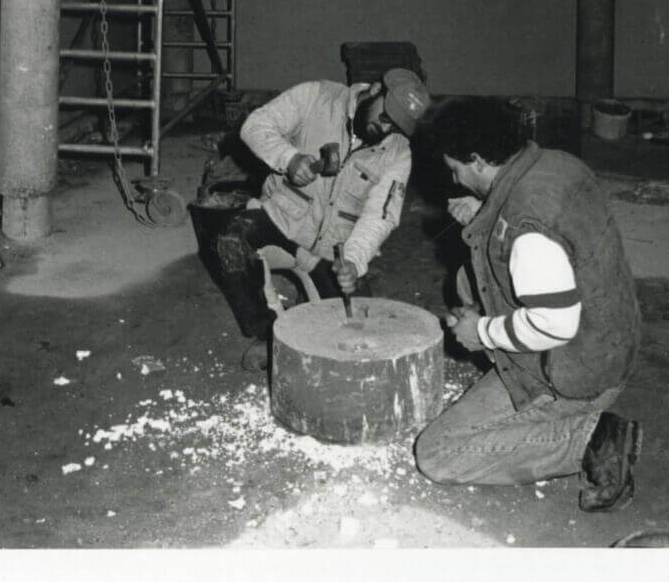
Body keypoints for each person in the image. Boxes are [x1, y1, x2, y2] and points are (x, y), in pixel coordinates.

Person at [411, 97, 643, 513]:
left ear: (478, 159)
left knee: (438, 452)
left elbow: (555, 324)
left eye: (456, 168)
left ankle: (590, 439)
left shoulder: (526, 229)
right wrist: (487, 211)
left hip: (578, 372)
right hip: (613, 341)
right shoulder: (556, 164)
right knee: (466, 276)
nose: (455, 178)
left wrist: (481, 332)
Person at [211, 68, 430, 369]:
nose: (385, 128)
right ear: (376, 89)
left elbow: (380, 216)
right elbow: (255, 125)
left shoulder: (398, 153)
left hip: (333, 249)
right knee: (231, 242)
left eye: (397, 126)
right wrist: (287, 158)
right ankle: (268, 333)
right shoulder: (317, 97)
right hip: (281, 222)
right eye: (385, 116)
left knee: (356, 339)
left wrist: (353, 261)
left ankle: (311, 294)